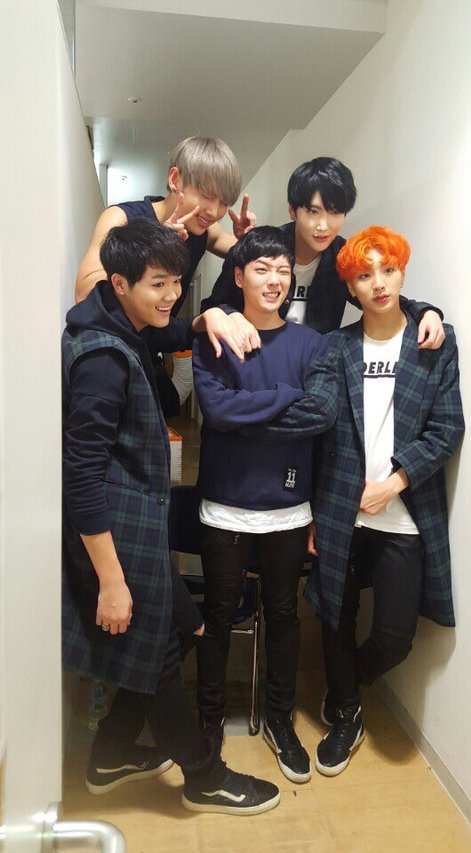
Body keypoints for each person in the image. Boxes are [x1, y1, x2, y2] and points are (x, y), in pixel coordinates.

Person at [62, 218, 280, 815]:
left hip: (135, 525)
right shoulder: (103, 358)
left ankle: (110, 754)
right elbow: (80, 477)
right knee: (158, 654)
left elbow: (170, 328)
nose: (171, 296)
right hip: (113, 536)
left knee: (185, 625)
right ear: (119, 283)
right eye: (157, 284)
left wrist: (206, 318)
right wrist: (110, 581)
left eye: (177, 283)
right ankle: (205, 777)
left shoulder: (122, 324)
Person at [304, 226, 464, 776]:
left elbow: (447, 428)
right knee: (335, 614)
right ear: (350, 287)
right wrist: (315, 510)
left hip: (403, 516)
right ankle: (347, 712)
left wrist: (393, 483)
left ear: (402, 274)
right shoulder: (335, 347)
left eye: (387, 270)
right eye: (364, 274)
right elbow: (321, 432)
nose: (378, 283)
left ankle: (346, 680)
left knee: (396, 637)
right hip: (339, 508)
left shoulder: (433, 342)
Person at [192, 227, 337, 784]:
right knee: (218, 616)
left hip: (288, 508)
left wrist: (248, 411)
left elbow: (321, 415)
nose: (274, 280)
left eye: (282, 270)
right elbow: (217, 412)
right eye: (261, 269)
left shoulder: (311, 345)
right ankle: (208, 722)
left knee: (283, 615)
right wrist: (286, 396)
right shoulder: (217, 336)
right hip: (225, 504)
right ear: (239, 276)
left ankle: (279, 719)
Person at [76, 136, 260, 415]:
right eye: (206, 195)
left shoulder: (203, 230)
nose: (214, 211)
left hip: (154, 350)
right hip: (111, 355)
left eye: (224, 202)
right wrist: (153, 249)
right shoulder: (120, 218)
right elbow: (85, 294)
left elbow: (245, 256)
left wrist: (247, 240)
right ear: (175, 180)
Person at [204, 156, 445, 348]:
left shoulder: (342, 257)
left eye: (335, 212)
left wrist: (425, 312)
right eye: (313, 212)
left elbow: (377, 295)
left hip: (314, 371)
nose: (323, 226)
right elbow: (215, 305)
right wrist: (232, 316)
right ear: (293, 211)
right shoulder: (261, 248)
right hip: (256, 359)